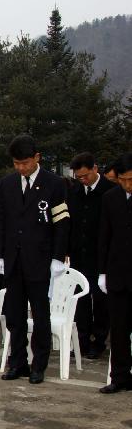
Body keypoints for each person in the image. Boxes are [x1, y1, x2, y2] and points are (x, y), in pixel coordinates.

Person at [0, 135, 70, 384]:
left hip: (40, 260)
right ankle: (17, 363)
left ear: (37, 158)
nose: (21, 168)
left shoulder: (55, 184)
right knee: (14, 316)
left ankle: (39, 365)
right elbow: (0, 221)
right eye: (16, 163)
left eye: (25, 163)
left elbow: (62, 223)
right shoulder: (6, 184)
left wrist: (58, 257)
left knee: (40, 315)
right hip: (13, 260)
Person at [68, 152, 115, 359]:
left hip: (101, 255)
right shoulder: (74, 191)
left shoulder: (110, 190)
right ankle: (83, 339)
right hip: (79, 254)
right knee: (82, 299)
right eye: (79, 177)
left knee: (101, 299)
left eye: (86, 175)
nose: (83, 180)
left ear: (95, 168)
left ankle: (99, 339)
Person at [96, 152, 132, 393]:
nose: (128, 184)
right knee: (118, 330)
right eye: (123, 179)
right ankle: (119, 377)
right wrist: (102, 272)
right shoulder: (110, 198)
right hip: (118, 274)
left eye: (131, 179)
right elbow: (104, 238)